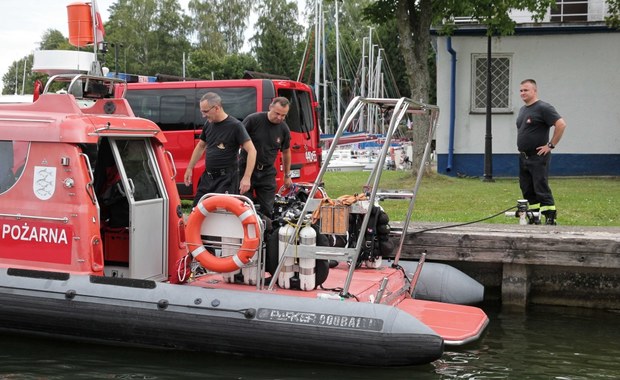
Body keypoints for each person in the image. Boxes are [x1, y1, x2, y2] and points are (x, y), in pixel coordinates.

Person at [184, 92, 256, 207]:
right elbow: (201, 146)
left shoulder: (235, 126)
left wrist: (246, 178)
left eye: (205, 112)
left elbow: (252, 150)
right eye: (202, 112)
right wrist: (189, 168)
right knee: (196, 209)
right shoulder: (208, 124)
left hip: (226, 179)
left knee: (220, 213)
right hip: (208, 178)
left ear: (217, 108)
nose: (203, 116)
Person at [516, 79, 566, 225]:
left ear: (534, 91)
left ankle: (550, 217)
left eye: (526, 90)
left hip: (538, 157)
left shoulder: (543, 108)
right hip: (523, 156)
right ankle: (534, 216)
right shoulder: (523, 110)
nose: (523, 93)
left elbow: (561, 124)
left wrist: (550, 145)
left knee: (540, 187)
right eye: (521, 90)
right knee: (527, 188)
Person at [239, 97, 293, 218]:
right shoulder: (253, 120)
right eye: (277, 113)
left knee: (268, 209)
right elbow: (236, 140)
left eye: (283, 115)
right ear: (270, 107)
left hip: (267, 172)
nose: (279, 118)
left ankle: (267, 234)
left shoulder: (283, 129)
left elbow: (286, 152)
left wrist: (287, 175)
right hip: (246, 169)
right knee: (245, 206)